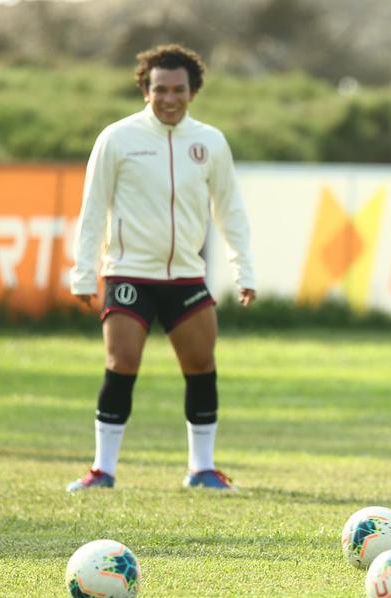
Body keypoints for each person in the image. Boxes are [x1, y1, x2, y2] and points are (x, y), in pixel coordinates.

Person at [67, 44, 255, 492]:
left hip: (186, 276)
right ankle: (102, 470)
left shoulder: (209, 142)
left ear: (193, 92)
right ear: (145, 90)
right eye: (159, 90)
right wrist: (82, 271)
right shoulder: (117, 138)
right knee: (122, 361)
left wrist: (243, 270)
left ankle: (202, 468)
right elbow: (92, 209)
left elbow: (230, 211)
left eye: (178, 90)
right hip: (128, 272)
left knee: (201, 364)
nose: (169, 98)